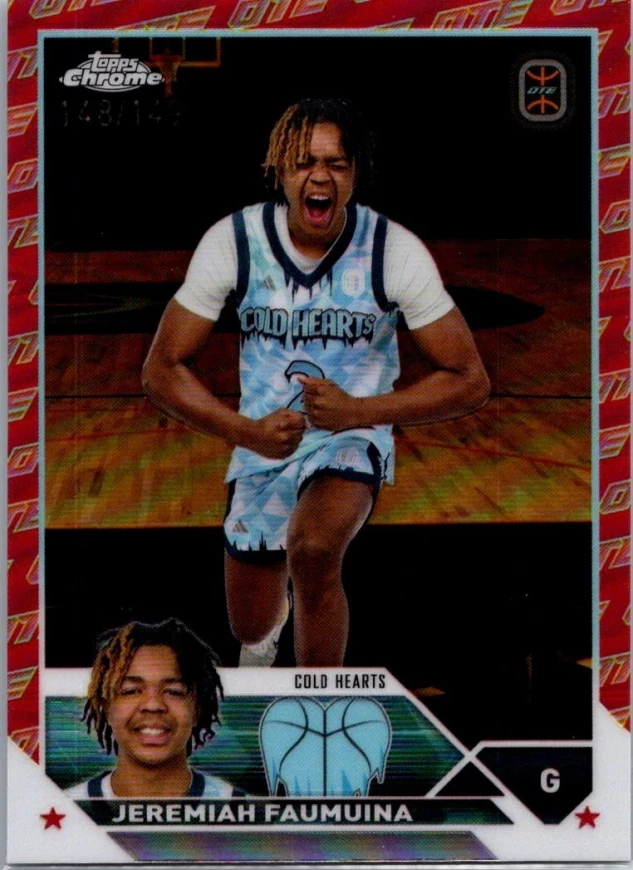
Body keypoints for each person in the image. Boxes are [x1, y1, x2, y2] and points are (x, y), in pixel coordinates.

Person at [142, 97, 490, 668]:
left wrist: (360, 412)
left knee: (314, 547)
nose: (320, 176)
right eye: (304, 162)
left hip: (350, 435)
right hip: (263, 439)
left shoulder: (392, 250)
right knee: (249, 622)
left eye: (336, 163)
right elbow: (160, 369)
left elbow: (469, 379)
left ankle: (318, 703)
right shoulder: (235, 240)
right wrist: (246, 432)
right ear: (278, 170)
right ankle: (265, 640)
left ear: (354, 174)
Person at [65, 619, 241, 798]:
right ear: (106, 707)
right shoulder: (66, 806)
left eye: (173, 691)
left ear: (197, 708)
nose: (153, 705)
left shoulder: (239, 807)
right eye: (131, 691)